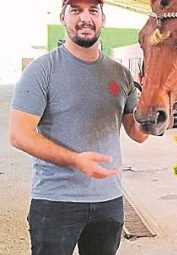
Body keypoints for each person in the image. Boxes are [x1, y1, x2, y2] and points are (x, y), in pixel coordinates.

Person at [8, 0, 148, 254]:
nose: (85, 18)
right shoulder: (42, 70)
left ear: (102, 19)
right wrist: (75, 160)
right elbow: (19, 135)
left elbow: (138, 134)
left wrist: (160, 110)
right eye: (76, 10)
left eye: (93, 10)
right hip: (55, 201)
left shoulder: (121, 74)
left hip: (109, 201)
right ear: (63, 17)